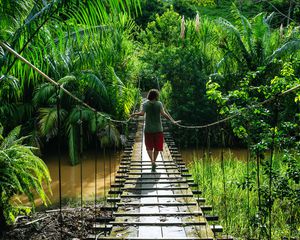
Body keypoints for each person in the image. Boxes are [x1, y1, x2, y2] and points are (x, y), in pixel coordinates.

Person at [130, 89, 179, 171]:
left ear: (149, 95)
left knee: (149, 146)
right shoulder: (159, 104)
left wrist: (134, 114)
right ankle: (154, 161)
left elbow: (142, 114)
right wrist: (172, 121)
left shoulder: (145, 104)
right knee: (157, 147)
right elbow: (164, 114)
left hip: (148, 129)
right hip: (158, 129)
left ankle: (152, 161)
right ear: (156, 96)